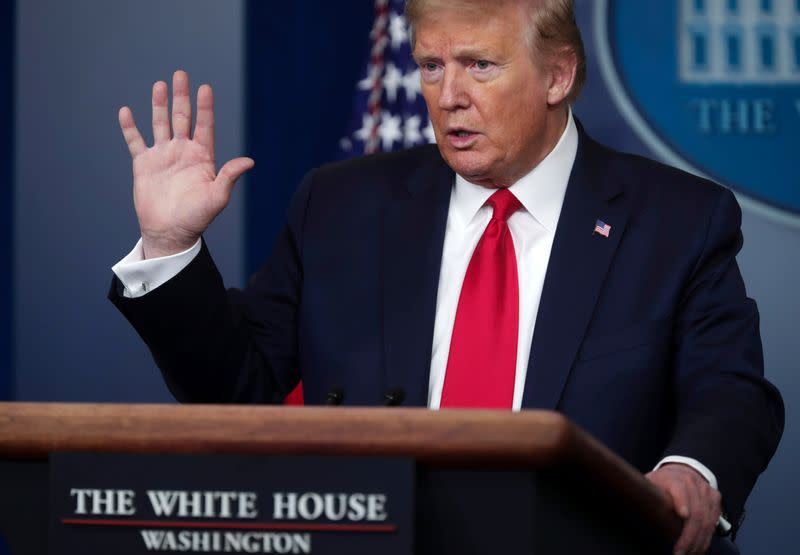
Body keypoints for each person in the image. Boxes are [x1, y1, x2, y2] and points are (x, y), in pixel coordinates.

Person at [110, 1, 783, 553]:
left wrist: (691, 469)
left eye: (479, 66)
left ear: (557, 75)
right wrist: (171, 245)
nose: (448, 96)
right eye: (431, 66)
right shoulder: (340, 206)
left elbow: (730, 390)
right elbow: (241, 389)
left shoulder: (675, 219)